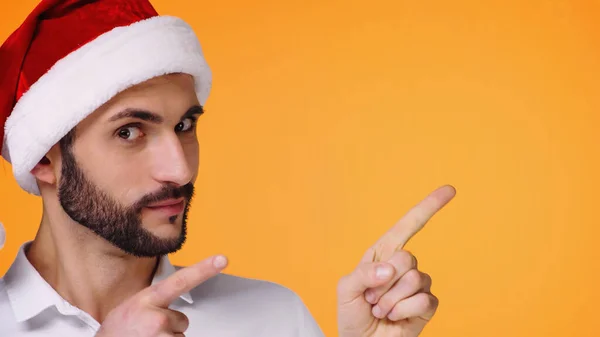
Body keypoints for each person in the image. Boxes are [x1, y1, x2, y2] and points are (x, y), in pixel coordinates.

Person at [0, 0, 456, 336]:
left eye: (184, 125)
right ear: (44, 157)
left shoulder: (275, 317)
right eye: (129, 132)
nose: (178, 170)